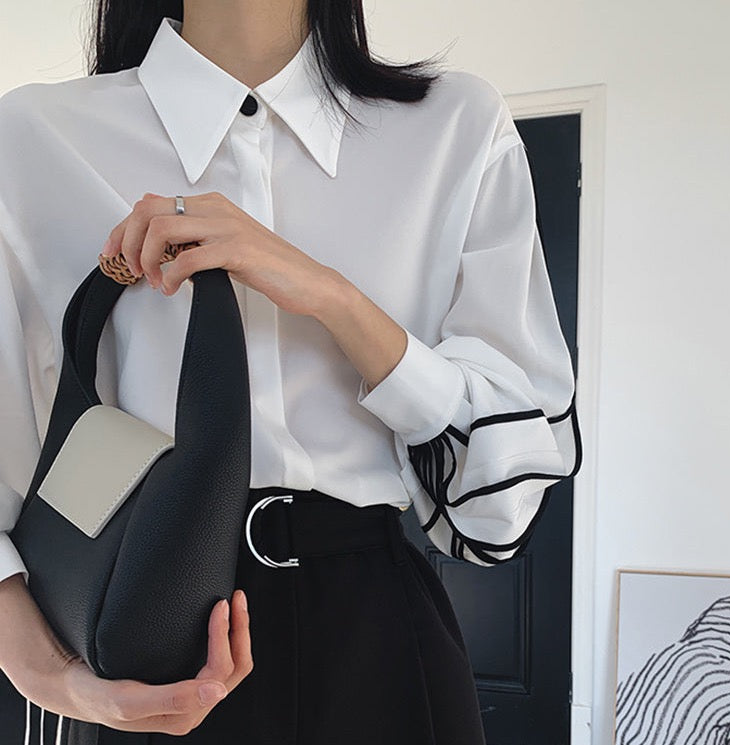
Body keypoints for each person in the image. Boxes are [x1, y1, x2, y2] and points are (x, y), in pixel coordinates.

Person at [0, 1, 582, 744]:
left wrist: (333, 298)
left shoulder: (456, 128)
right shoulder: (37, 139)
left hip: (379, 647)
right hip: (139, 646)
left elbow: (500, 508)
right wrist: (59, 683)